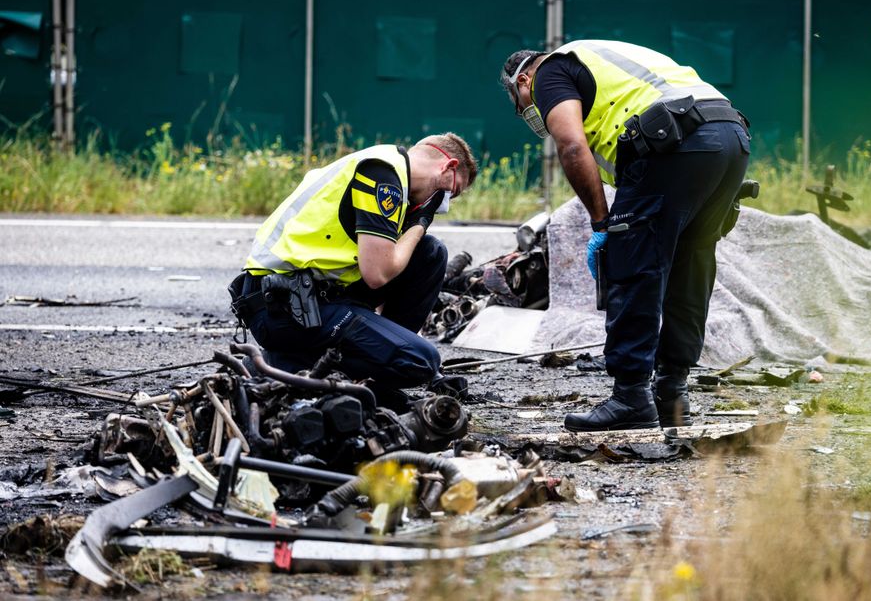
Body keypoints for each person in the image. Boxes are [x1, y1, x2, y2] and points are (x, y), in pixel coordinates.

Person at [500, 40, 750, 431]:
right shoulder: (602, 55)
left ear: (524, 78)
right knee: (692, 264)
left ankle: (631, 396)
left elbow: (570, 144)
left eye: (522, 102)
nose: (528, 112)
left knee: (634, 263)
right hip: (730, 134)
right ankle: (673, 394)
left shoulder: (550, 70)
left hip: (671, 140)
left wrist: (604, 224)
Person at [229, 133, 478, 411]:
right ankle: (279, 365)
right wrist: (421, 221)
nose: (445, 202)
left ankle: (372, 365)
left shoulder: (383, 168)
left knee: (429, 253)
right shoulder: (382, 176)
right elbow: (377, 274)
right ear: (448, 167)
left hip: (312, 295)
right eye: (451, 192)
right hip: (284, 307)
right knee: (420, 361)